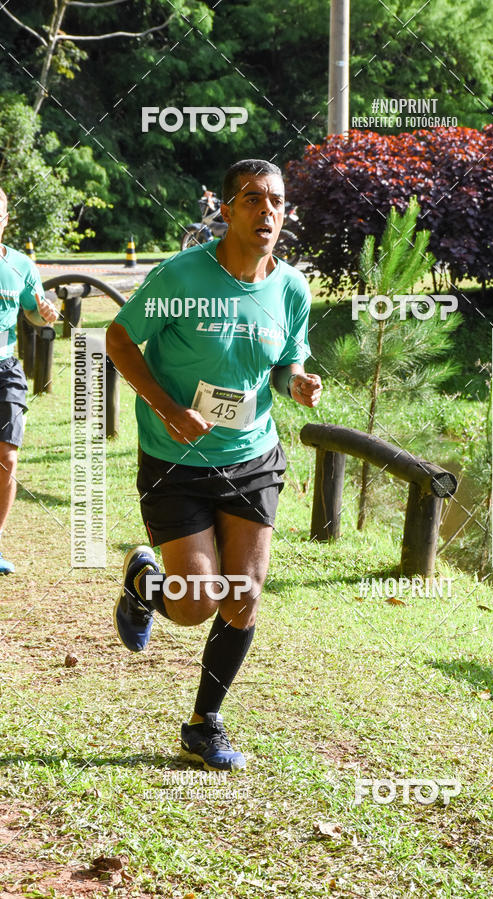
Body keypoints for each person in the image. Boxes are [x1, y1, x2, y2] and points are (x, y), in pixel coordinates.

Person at [107, 159, 322, 771]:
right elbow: (119, 339)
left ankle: (205, 724)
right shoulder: (181, 275)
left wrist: (296, 380)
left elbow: (283, 363)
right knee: (199, 602)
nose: (267, 210)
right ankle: (147, 583)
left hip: (252, 455)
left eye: (276, 200)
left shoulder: (291, 289)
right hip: (175, 456)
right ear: (225, 210)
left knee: (244, 596)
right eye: (252, 198)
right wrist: (167, 407)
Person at [0, 188, 58, 575]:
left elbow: (34, 313)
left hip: (4, 367)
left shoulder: (20, 265)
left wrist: (45, 313)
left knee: (7, 457)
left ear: (5, 217)